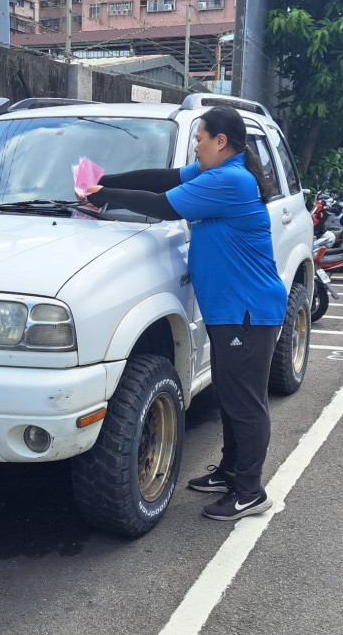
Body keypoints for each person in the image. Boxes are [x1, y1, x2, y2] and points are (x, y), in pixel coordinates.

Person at [84, 106, 288, 522]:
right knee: (231, 395)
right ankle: (231, 472)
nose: (195, 145)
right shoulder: (216, 173)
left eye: (200, 138)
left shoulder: (230, 179)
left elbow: (163, 205)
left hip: (246, 312)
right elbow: (164, 179)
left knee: (245, 401)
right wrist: (102, 182)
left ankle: (249, 491)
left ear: (221, 142)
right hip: (232, 310)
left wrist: (103, 196)